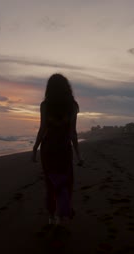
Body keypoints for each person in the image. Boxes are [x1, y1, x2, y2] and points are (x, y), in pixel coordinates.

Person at [32, 73, 83, 225]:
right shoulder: (73, 106)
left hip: (48, 149)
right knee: (66, 182)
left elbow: (42, 129)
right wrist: (79, 155)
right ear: (67, 88)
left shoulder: (45, 105)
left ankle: (51, 217)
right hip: (64, 149)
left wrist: (35, 149)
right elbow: (73, 132)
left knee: (50, 183)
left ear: (49, 88)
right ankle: (62, 215)